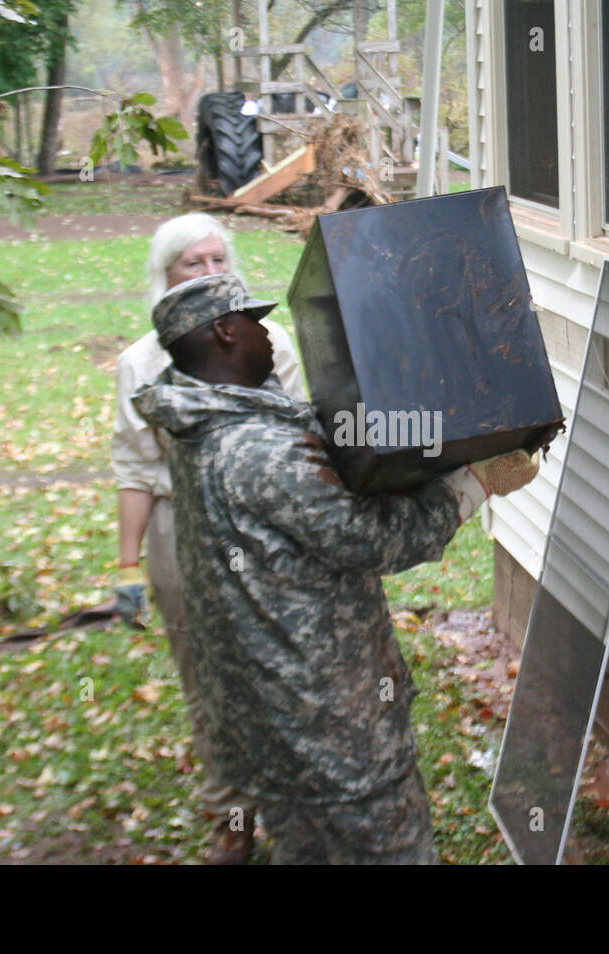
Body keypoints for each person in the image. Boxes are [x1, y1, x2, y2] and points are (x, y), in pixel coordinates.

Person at [132, 274, 540, 864]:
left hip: (272, 732)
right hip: (331, 739)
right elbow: (376, 540)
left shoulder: (202, 429)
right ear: (223, 331)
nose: (267, 332)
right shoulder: (257, 451)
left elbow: (317, 468)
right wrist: (477, 482)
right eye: (252, 320)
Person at [110, 213, 305, 865]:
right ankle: (236, 820)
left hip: (267, 528)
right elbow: (136, 468)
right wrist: (130, 565)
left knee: (284, 673)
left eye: (219, 260)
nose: (210, 274)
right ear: (165, 277)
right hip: (181, 531)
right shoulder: (141, 363)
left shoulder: (271, 342)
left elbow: (307, 439)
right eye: (193, 264)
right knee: (211, 683)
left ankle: (304, 812)